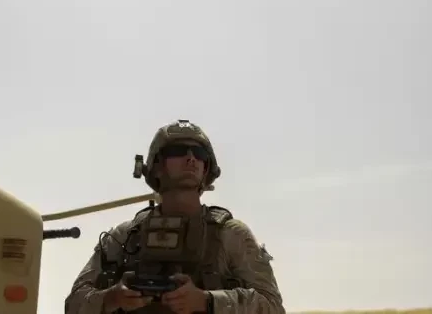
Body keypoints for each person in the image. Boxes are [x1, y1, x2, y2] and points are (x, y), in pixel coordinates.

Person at [64, 120, 285, 314]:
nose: (191, 159)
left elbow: (272, 306)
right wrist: (112, 298)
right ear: (156, 166)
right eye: (178, 151)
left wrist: (206, 301)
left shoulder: (231, 235)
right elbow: (73, 304)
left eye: (199, 154)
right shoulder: (125, 236)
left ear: (206, 169)